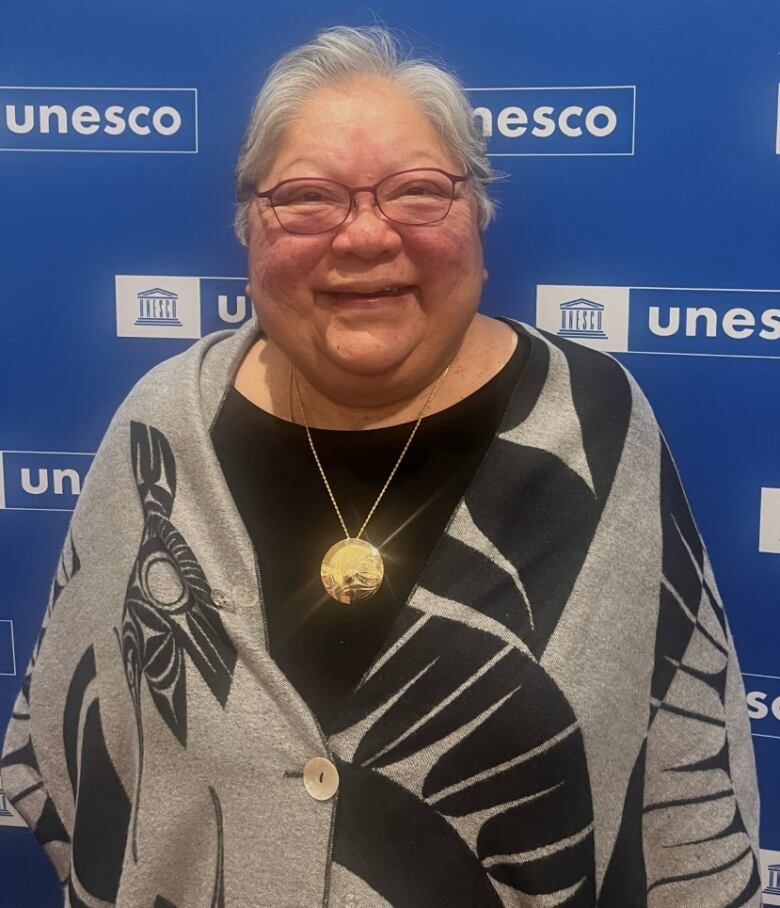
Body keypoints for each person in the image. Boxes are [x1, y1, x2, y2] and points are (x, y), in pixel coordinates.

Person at [1, 25, 761, 908]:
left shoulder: (598, 423)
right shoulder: (158, 423)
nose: (364, 236)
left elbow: (680, 773)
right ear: (250, 224)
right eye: (310, 198)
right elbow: (72, 749)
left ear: (476, 217)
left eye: (415, 191)